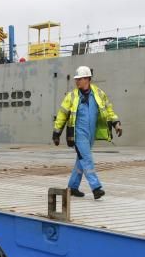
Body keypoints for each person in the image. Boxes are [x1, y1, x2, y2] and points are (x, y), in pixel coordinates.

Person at [51, 65, 122, 199]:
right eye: (76, 79)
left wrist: (116, 123)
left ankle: (72, 187)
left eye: (80, 79)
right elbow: (62, 115)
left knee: (81, 160)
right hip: (78, 134)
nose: (77, 81)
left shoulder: (99, 94)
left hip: (91, 133)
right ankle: (96, 187)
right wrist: (56, 133)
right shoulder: (71, 96)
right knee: (87, 159)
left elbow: (108, 110)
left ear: (88, 79)